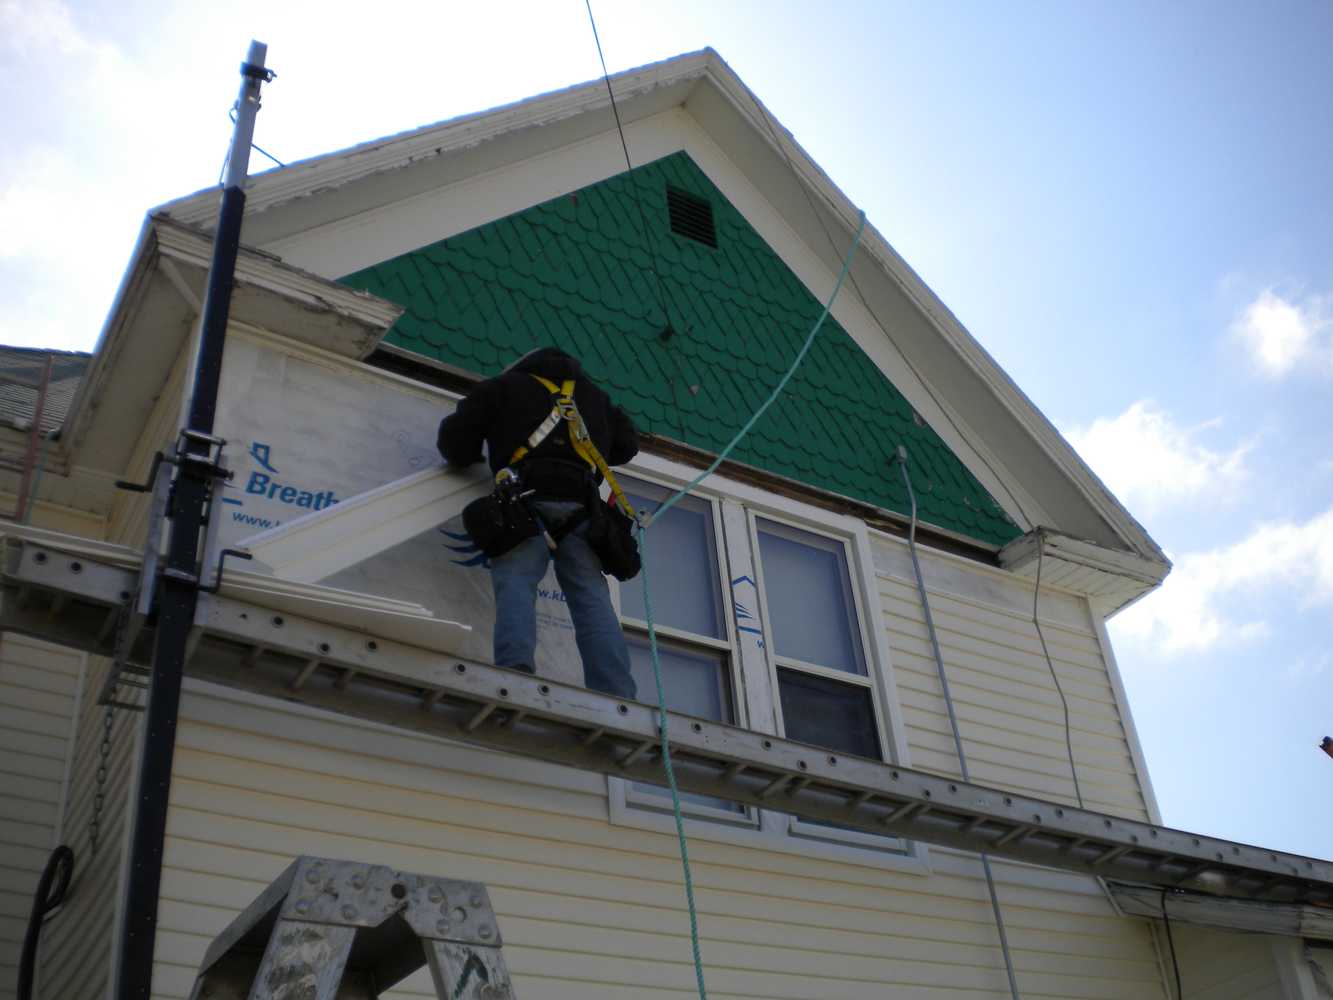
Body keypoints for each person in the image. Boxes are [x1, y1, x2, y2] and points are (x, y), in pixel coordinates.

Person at [438, 347, 639, 699]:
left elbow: (456, 439)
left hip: (522, 500)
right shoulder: (596, 399)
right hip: (582, 507)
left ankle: (516, 672)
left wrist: (472, 456)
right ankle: (616, 693)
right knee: (591, 597)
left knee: (517, 581)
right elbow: (627, 445)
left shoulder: (505, 387)